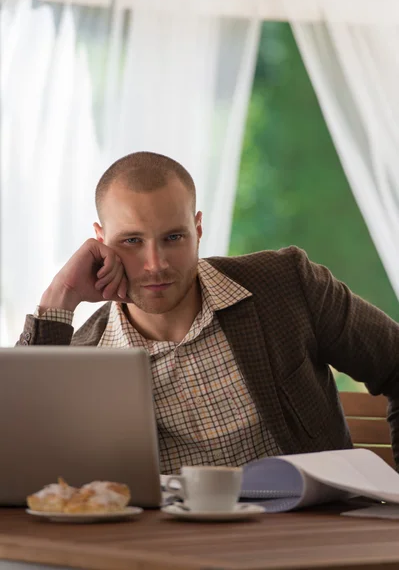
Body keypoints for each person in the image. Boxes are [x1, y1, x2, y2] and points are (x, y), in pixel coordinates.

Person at [17, 152, 399, 474]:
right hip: (162, 557)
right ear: (101, 242)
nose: (155, 264)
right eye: (131, 241)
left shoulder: (286, 285)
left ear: (198, 229)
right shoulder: (83, 359)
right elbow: (16, 453)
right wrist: (59, 297)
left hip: (312, 545)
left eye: (173, 237)